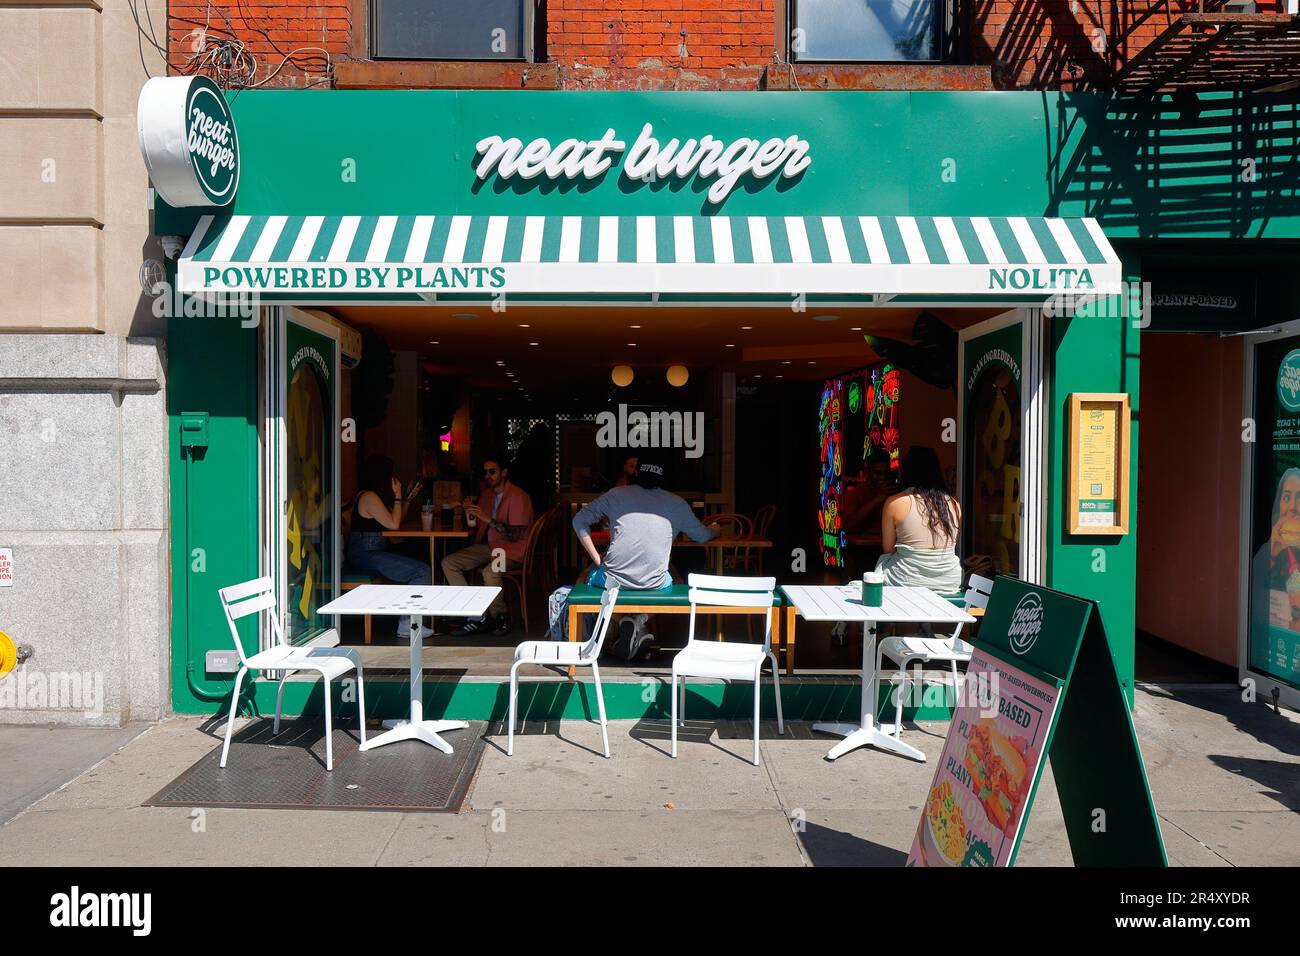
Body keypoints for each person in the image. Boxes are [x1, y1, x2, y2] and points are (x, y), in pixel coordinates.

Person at [568, 458, 720, 657]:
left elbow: (579, 519)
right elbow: (702, 536)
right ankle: (639, 622)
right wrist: (715, 530)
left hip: (612, 580)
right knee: (674, 580)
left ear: (637, 474)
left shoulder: (616, 494)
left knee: (583, 579)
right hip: (653, 582)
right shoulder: (677, 503)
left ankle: (622, 623)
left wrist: (596, 558)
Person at [442, 454, 534, 634]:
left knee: (490, 571)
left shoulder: (517, 496)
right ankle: (475, 614)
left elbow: (514, 535)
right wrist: (467, 509)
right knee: (449, 562)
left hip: (512, 551)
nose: (488, 475)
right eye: (485, 472)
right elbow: (477, 525)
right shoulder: (488, 494)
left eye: (492, 471)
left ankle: (500, 617)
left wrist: (488, 519)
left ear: (504, 472)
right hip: (492, 546)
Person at [347, 454, 430, 639]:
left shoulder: (374, 496)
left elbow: (396, 520)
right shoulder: (369, 496)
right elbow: (394, 525)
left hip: (373, 551)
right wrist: (398, 496)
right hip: (366, 554)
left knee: (419, 560)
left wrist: (406, 498)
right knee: (421, 571)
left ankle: (409, 620)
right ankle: (407, 624)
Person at [875, 446, 963, 594]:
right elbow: (951, 543)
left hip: (907, 580)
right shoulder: (954, 504)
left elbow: (888, 549)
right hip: (949, 581)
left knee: (883, 562)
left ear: (906, 470)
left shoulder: (895, 503)